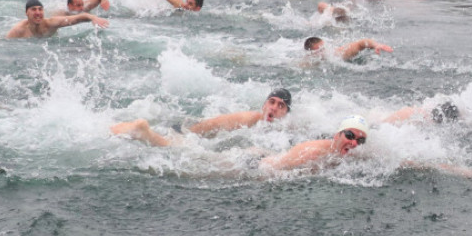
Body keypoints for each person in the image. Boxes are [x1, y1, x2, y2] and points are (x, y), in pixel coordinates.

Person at [110, 88, 293, 146]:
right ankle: (142, 132)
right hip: (191, 129)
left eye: (281, 105)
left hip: (202, 134)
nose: (274, 107)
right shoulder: (250, 118)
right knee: (171, 146)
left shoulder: (283, 129)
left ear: (286, 113)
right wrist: (185, 134)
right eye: (272, 102)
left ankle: (123, 128)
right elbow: (212, 124)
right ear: (264, 105)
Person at [259, 113, 370, 173]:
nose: (354, 143)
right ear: (337, 135)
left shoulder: (357, 153)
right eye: (349, 135)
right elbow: (269, 168)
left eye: (360, 140)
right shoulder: (312, 153)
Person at [6, 0, 108, 38]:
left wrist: (92, 17)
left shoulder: (50, 23)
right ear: (26, 13)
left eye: (40, 9)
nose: (38, 13)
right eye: (33, 9)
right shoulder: (18, 30)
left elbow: (76, 18)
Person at [304, 36, 392, 61]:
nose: (324, 52)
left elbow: (361, 43)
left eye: (323, 48)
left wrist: (376, 45)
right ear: (311, 53)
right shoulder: (306, 63)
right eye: (319, 50)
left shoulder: (336, 55)